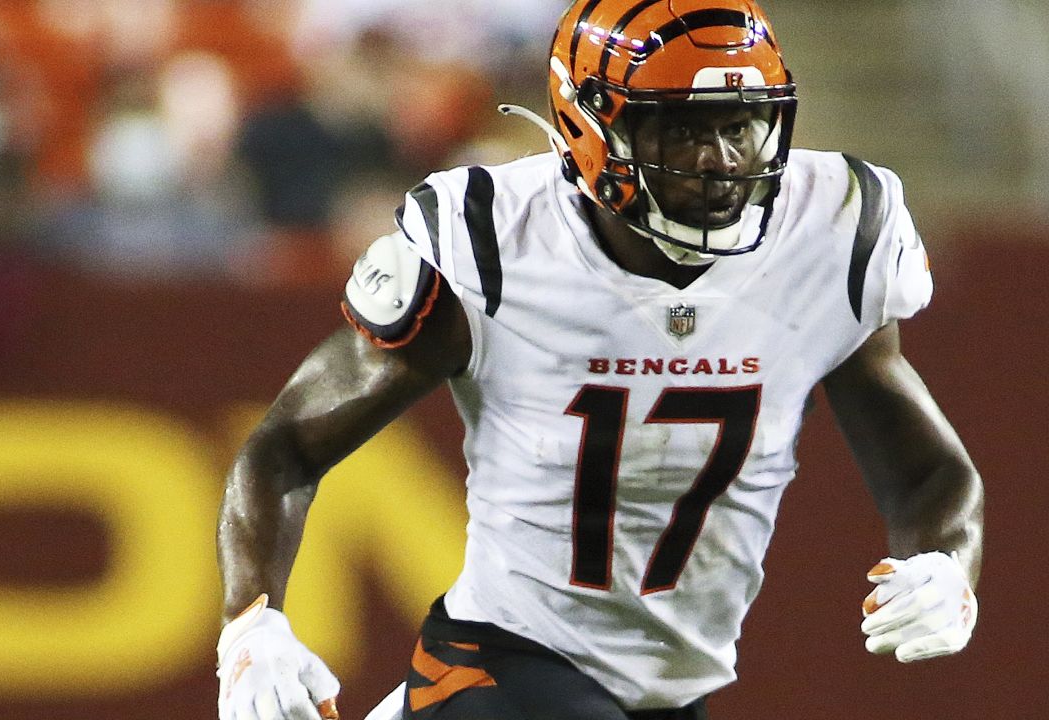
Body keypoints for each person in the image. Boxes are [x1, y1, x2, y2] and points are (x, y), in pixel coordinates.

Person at [215, 0, 985, 718]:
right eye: (680, 131)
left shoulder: (830, 235)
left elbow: (929, 474)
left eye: (742, 124)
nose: (719, 161)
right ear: (590, 126)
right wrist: (252, 621)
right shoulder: (494, 241)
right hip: (503, 661)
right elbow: (283, 451)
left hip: (672, 689)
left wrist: (949, 567)